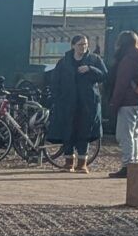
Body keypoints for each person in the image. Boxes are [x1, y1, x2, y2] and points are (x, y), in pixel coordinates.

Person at [44, 36, 108, 172]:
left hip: (88, 103)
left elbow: (104, 75)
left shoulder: (94, 60)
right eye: (80, 45)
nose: (83, 47)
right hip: (67, 103)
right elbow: (55, 80)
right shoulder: (64, 62)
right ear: (73, 46)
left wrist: (91, 69)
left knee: (84, 131)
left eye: (85, 44)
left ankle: (82, 163)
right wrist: (57, 97)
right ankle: (68, 162)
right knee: (68, 131)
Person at [104, 30, 138, 176]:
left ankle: (128, 165)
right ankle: (135, 164)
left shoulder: (127, 59)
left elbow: (121, 83)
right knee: (134, 135)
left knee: (124, 135)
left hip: (128, 102)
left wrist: (114, 103)